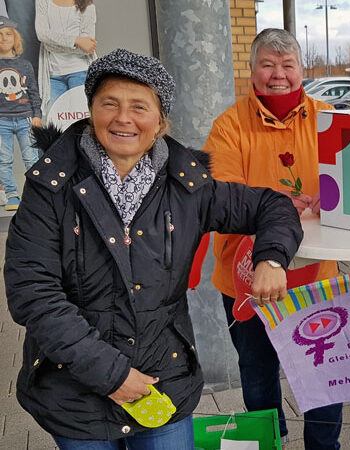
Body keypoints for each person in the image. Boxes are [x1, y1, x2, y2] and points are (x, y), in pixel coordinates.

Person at [4, 48, 303, 449]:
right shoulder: (50, 187)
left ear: (160, 121)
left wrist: (271, 258)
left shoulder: (188, 187)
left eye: (139, 106)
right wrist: (111, 375)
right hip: (76, 391)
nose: (123, 118)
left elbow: (273, 206)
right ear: (91, 110)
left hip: (164, 383)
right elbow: (33, 294)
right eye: (110, 103)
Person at [204, 28, 343, 449]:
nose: (277, 75)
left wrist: (334, 198)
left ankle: (324, 446)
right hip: (246, 276)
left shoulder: (329, 117)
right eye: (267, 65)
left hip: (318, 271)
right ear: (252, 70)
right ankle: (270, 443)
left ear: (301, 70)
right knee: (258, 372)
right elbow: (221, 197)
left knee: (323, 372)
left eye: (287, 65)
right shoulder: (229, 126)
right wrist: (278, 201)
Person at [0, 16, 42, 211]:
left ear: (15, 38)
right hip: (2, 121)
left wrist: (37, 115)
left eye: (8, 34)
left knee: (31, 158)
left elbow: (33, 91)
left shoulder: (25, 65)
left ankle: (36, 195)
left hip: (26, 117)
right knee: (4, 159)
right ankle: (12, 196)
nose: (3, 38)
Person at [35, 0, 96, 109]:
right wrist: (76, 40)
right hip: (53, 74)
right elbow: (42, 34)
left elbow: (87, 48)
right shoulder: (43, 1)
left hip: (80, 71)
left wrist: (52, 43)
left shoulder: (88, 5)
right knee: (53, 121)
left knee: (81, 120)